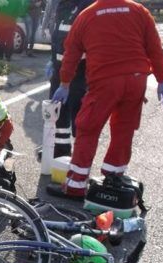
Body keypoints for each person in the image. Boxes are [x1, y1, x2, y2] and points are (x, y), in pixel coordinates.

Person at [52, 0, 163, 197]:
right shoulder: (138, 10)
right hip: (136, 79)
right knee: (124, 130)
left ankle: (75, 185)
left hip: (105, 81)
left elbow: (71, 52)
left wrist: (65, 83)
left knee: (88, 128)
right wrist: (162, 80)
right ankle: (113, 179)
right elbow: (155, 48)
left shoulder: (87, 14)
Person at [47, 0, 95, 158]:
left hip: (79, 70)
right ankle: (61, 151)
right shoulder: (63, 5)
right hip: (60, 69)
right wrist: (52, 60)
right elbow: (58, 36)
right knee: (58, 113)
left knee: (79, 116)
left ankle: (81, 156)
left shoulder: (87, 5)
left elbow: (83, 42)